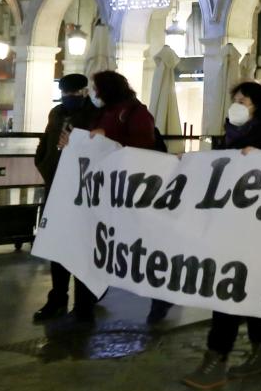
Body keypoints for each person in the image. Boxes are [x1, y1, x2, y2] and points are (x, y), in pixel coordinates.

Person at [184, 81, 261, 389]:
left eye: (243, 99)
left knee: (239, 287)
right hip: (232, 221)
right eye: (234, 99)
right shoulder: (232, 130)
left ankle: (219, 356)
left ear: (257, 102)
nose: (237, 104)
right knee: (236, 285)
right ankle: (255, 352)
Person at [91, 70, 173, 325]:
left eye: (96, 87)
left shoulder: (135, 113)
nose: (93, 92)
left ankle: (160, 296)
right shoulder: (106, 111)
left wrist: (109, 139)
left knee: (142, 244)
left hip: (133, 190)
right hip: (110, 189)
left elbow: (142, 147)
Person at [32, 73, 101, 321]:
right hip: (55, 186)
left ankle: (85, 302)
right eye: (66, 94)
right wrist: (43, 161)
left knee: (82, 246)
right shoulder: (56, 113)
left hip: (82, 189)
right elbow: (46, 140)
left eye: (75, 94)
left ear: (84, 92)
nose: (70, 98)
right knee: (56, 245)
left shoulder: (95, 115)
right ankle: (58, 297)